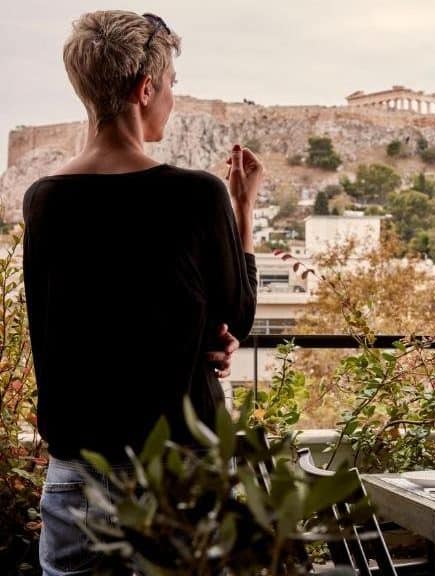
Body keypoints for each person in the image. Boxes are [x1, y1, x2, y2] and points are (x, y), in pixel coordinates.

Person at [21, 11, 261, 575]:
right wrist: (243, 209)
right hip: (180, 467)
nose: (173, 98)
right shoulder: (197, 197)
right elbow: (238, 316)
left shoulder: (44, 201)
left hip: (79, 469)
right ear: (145, 88)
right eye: (172, 83)